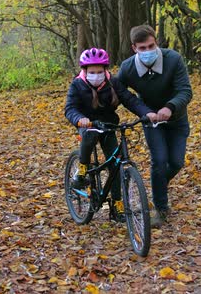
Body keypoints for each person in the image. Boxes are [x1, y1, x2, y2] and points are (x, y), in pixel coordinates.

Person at [65, 47, 156, 221]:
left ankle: (117, 205)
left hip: (108, 124)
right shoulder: (77, 84)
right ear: (84, 71)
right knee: (89, 135)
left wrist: (147, 113)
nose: (96, 75)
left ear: (106, 69)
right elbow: (70, 108)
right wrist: (80, 119)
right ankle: (82, 168)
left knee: (115, 165)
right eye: (92, 71)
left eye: (100, 71)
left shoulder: (113, 83)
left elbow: (130, 100)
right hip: (88, 123)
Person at [117, 25, 192, 227]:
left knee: (176, 162)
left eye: (151, 45)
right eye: (143, 48)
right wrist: (143, 111)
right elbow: (120, 91)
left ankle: (159, 186)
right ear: (134, 48)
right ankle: (161, 208)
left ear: (156, 42)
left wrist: (170, 107)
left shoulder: (173, 59)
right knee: (159, 161)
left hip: (176, 120)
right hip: (151, 121)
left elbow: (185, 90)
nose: (148, 51)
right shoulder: (128, 68)